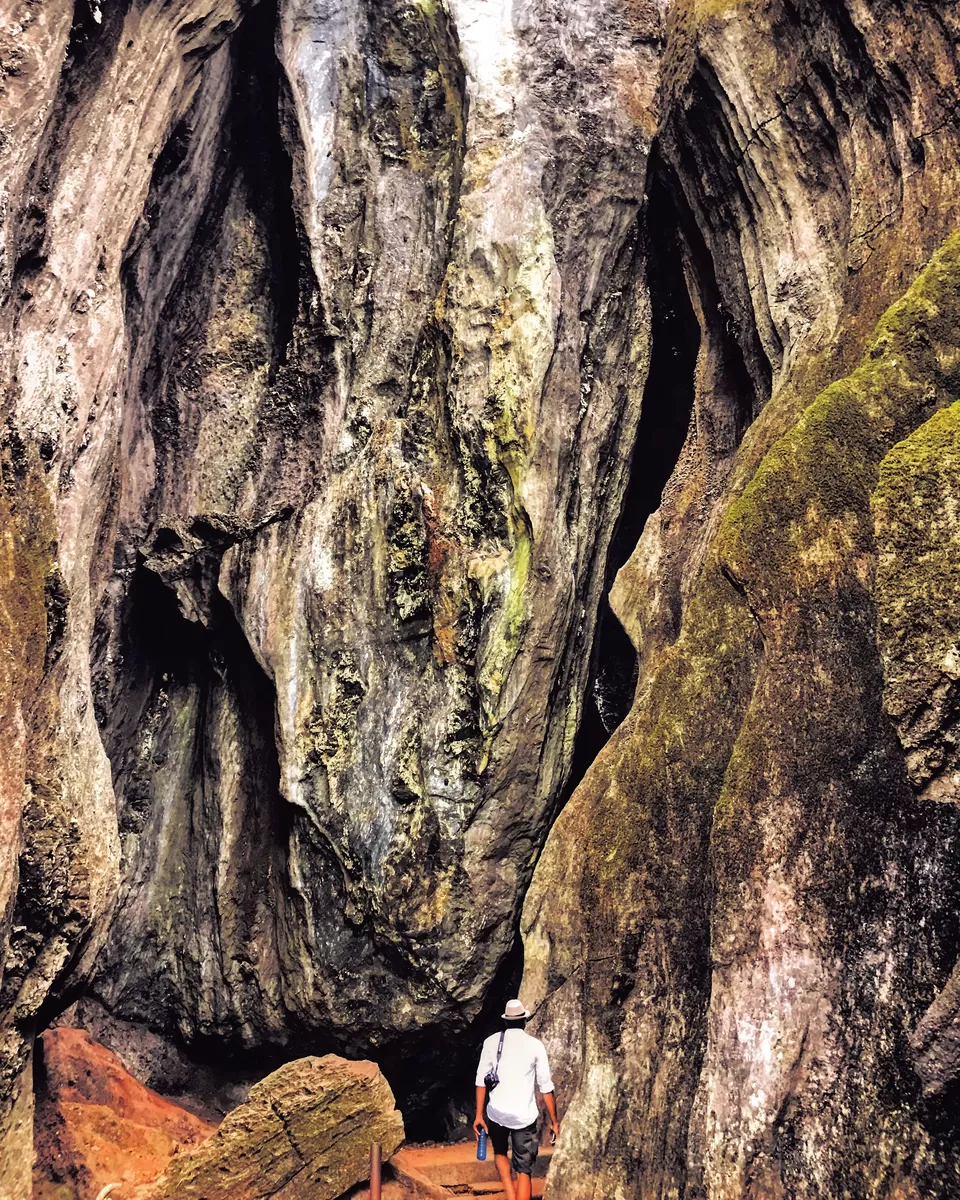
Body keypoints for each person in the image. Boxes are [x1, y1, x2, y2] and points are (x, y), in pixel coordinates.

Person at [473, 999, 560, 1200]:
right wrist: (555, 1122)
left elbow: (480, 1081)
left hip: (497, 1113)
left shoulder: (491, 1043)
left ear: (505, 1021)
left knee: (501, 1153)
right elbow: (546, 1087)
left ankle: (510, 1195)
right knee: (524, 1169)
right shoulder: (535, 1046)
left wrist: (479, 1115)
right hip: (524, 1116)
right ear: (524, 1021)